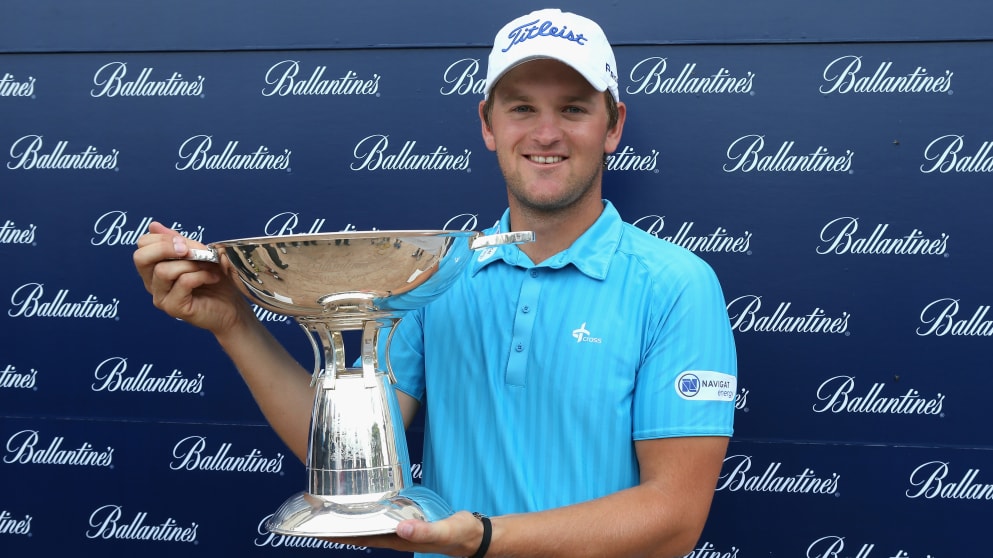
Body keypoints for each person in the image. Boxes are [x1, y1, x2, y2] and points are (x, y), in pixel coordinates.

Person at [134, 8, 737, 558]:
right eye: (522, 107)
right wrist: (237, 325)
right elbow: (356, 470)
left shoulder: (676, 286)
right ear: (488, 124)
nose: (546, 133)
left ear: (613, 125)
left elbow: (673, 519)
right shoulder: (435, 274)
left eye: (574, 108)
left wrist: (484, 539)